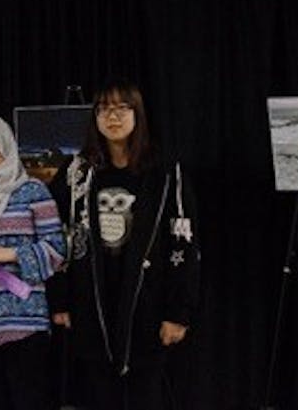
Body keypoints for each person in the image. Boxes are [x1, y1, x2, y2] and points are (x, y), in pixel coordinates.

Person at [49, 79, 200, 410]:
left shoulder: (166, 173)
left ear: (138, 114)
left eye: (121, 108)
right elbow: (56, 235)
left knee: (146, 394)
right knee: (99, 395)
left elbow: (184, 242)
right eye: (103, 108)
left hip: (148, 302)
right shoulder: (77, 171)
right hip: (92, 303)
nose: (112, 117)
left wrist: (179, 312)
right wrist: (59, 300)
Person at [0, 113, 66, 410]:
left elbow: (57, 250)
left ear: (6, 146)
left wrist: (10, 253)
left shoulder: (32, 191)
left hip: (25, 323)